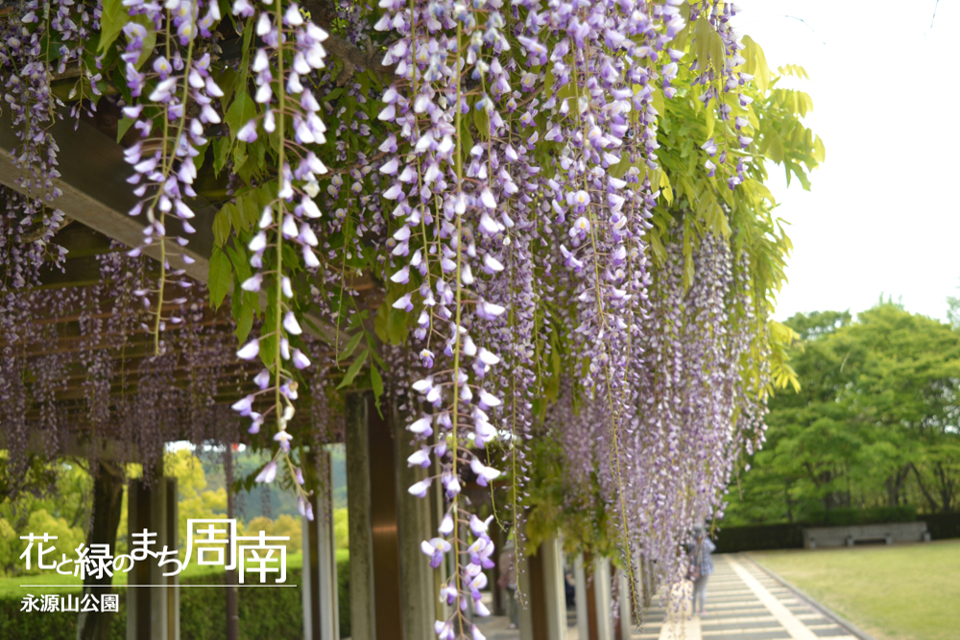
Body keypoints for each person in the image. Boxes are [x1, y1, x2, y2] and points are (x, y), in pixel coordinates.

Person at [687, 526, 716, 617]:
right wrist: (704, 537)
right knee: (702, 590)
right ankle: (701, 611)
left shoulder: (691, 544)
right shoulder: (706, 543)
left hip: (695, 570)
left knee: (695, 590)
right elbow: (713, 548)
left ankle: (694, 611)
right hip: (705, 569)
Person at [497, 540, 519, 629]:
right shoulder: (516, 555)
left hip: (508, 582)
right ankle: (517, 621)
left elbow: (501, 569)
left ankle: (513, 622)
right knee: (517, 602)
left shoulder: (502, 556)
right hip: (516, 581)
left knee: (511, 602)